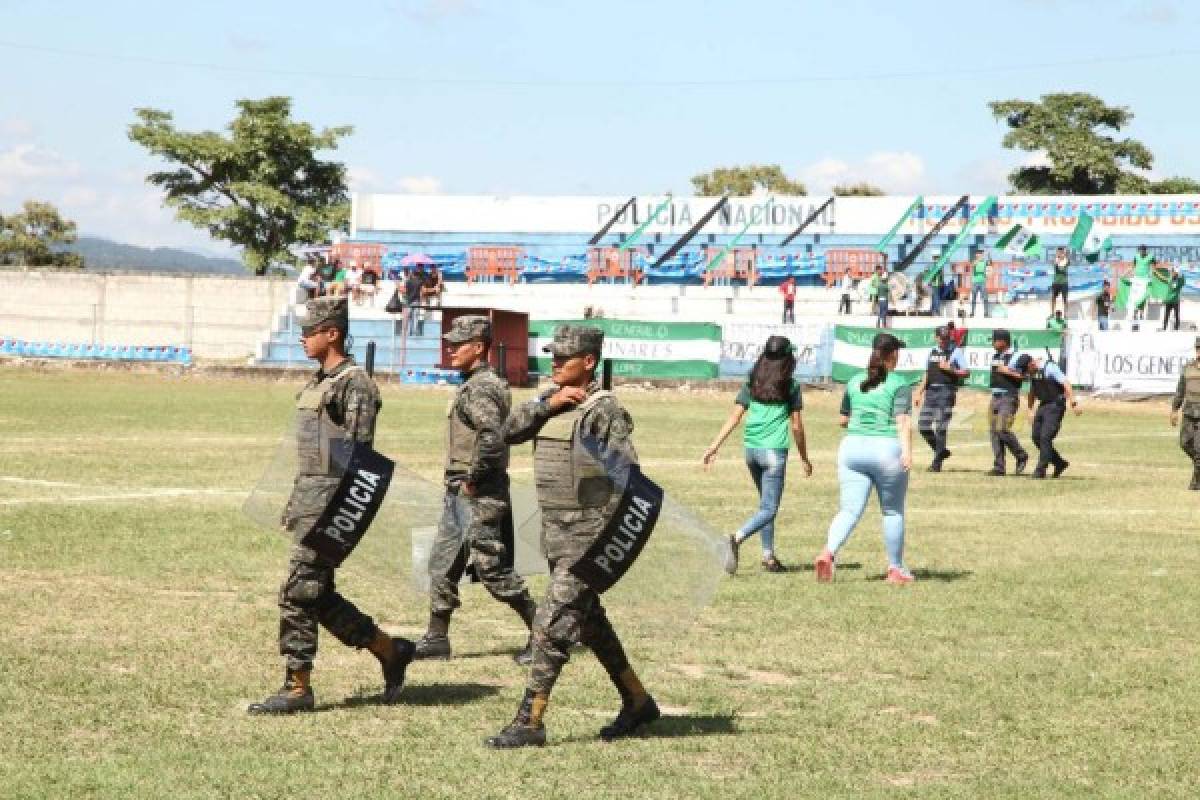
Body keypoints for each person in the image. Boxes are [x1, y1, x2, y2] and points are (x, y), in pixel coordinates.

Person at [487, 325, 659, 748]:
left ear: (589, 361)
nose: (555, 363)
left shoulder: (603, 410)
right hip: (554, 535)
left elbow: (627, 477)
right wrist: (546, 403)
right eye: (552, 356)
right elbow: (506, 431)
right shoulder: (554, 401)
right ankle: (637, 701)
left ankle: (530, 720)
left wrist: (604, 540)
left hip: (587, 539)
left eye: (565, 358)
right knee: (591, 625)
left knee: (551, 625)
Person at [248, 296, 414, 714]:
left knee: (296, 591)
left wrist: (340, 516)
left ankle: (298, 687)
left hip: (333, 507)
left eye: (310, 332)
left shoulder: (353, 384)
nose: (303, 338)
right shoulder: (319, 381)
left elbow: (361, 459)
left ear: (332, 333)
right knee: (316, 594)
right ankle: (389, 651)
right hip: (309, 501)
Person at [416, 315, 539, 664]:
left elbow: (491, 436)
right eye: (450, 343)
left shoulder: (482, 387)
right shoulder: (473, 383)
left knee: (492, 569)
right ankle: (437, 637)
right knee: (442, 562)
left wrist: (474, 476)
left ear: (479, 347)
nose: (451, 349)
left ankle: (543, 634)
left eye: (459, 344)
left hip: (478, 491)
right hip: (462, 489)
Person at [702, 335, 813, 574]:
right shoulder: (790, 385)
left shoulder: (752, 381)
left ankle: (768, 556)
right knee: (769, 509)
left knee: (765, 505)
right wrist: (804, 457)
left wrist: (714, 446)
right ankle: (734, 539)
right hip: (774, 452)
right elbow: (796, 426)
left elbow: (735, 416)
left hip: (751, 451)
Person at [813, 333, 914, 584]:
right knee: (892, 512)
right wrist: (908, 452)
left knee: (849, 510)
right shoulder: (899, 383)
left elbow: (843, 419)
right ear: (892, 356)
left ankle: (828, 552)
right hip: (885, 451)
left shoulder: (855, 380)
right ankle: (895, 569)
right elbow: (902, 421)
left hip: (851, 449)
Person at [913, 325, 968, 472]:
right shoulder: (931, 352)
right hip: (931, 392)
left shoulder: (955, 351)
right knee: (923, 426)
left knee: (941, 428)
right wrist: (919, 392)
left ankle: (936, 464)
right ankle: (941, 451)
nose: (943, 340)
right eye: (941, 338)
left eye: (946, 338)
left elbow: (967, 372)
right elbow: (927, 374)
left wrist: (951, 369)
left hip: (946, 391)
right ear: (936, 337)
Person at [1022, 353, 1081, 479]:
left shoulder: (1050, 368)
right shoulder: (1033, 372)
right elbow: (1032, 390)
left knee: (1045, 436)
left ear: (1031, 364)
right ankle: (1059, 463)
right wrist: (1030, 409)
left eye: (1027, 370)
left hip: (1055, 405)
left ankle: (1041, 470)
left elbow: (1066, 383)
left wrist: (1073, 402)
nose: (1027, 373)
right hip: (1043, 405)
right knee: (1036, 437)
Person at [986, 329, 1030, 477]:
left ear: (1003, 341)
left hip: (1009, 397)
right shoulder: (996, 356)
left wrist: (1007, 371)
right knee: (993, 432)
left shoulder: (1018, 356)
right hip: (995, 397)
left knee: (1002, 428)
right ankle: (999, 466)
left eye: (994, 340)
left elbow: (1025, 377)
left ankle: (1021, 455)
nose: (992, 343)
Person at [1169, 337, 1200, 489]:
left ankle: (1195, 484)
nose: (1199, 351)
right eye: (1198, 348)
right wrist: (1174, 409)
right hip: (1188, 412)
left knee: (1199, 448)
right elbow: (1180, 390)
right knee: (1185, 443)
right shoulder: (1188, 368)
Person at [1130, 245, 1156, 323]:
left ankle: (1141, 312)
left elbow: (1154, 267)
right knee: (1135, 297)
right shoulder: (1136, 256)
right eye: (1140, 250)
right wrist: (1126, 274)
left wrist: (1154, 276)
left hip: (1145, 279)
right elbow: (1133, 266)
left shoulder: (1150, 257)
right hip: (1136, 278)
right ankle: (1135, 312)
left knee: (1143, 297)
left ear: (1145, 251)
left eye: (1143, 250)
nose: (1141, 252)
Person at [1161, 264, 1185, 331]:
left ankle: (1176, 328)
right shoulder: (1169, 279)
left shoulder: (1179, 281)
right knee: (1166, 315)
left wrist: (1180, 273)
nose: (1172, 273)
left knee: (1176, 315)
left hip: (1175, 301)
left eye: (1174, 272)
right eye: (1172, 272)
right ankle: (1164, 328)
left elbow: (1183, 280)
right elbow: (1163, 278)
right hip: (1168, 300)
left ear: (1177, 273)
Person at [404, 268, 425, 336]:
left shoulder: (408, 281)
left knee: (409, 317)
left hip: (409, 301)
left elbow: (405, 291)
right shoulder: (420, 282)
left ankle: (408, 332)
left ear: (413, 274)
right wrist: (421, 301)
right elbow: (421, 292)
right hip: (416, 301)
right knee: (415, 317)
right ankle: (415, 332)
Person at [970, 251, 990, 318]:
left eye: (980, 254)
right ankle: (972, 312)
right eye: (978, 254)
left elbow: (990, 264)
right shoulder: (974, 261)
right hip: (975, 282)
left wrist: (988, 255)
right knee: (973, 298)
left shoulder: (984, 262)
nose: (979, 255)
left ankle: (986, 313)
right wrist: (980, 257)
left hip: (982, 281)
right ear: (976, 255)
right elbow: (973, 265)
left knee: (985, 298)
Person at [1050, 248, 1070, 316]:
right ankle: (1052, 313)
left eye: (1061, 252)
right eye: (1059, 252)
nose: (1060, 253)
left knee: (1065, 299)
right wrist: (1057, 257)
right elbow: (1054, 264)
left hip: (1064, 282)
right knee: (1053, 298)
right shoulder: (1055, 260)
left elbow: (1067, 263)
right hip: (1056, 282)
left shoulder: (1066, 260)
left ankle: (1065, 314)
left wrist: (1064, 255)